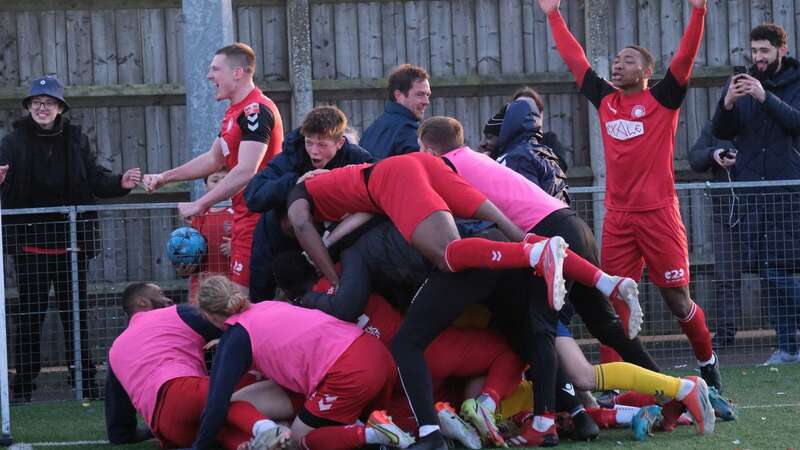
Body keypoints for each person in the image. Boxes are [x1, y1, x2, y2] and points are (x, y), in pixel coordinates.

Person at [538, 0, 723, 391]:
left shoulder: (662, 100)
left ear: (647, 71)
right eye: (616, 60)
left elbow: (686, 57)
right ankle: (617, 388)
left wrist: (698, 13)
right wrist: (553, 15)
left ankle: (708, 364)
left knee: (678, 302)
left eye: (628, 60)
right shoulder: (606, 101)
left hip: (659, 215)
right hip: (618, 219)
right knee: (614, 304)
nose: (618, 65)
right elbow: (576, 59)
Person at [0, 75, 141, 403]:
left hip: (71, 245)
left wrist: (121, 182)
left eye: (48, 102)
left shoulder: (76, 139)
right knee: (29, 318)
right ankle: (22, 388)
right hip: (29, 246)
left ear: (60, 107)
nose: (42, 107)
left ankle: (85, 385)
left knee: (75, 316)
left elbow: (94, 178)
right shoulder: (12, 142)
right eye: (36, 102)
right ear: (28, 107)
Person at [193, 276, 415, 450]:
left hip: (348, 371)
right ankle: (377, 433)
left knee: (299, 441)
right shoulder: (267, 306)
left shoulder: (236, 336)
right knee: (241, 402)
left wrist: (200, 446)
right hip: (375, 353)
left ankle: (368, 434)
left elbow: (216, 403)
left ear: (211, 317)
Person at [143, 43, 284, 293]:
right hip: (245, 216)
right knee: (239, 304)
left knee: (243, 304)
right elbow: (213, 159)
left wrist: (200, 204)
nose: (210, 76)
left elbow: (246, 170)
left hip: (258, 220)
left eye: (215, 69)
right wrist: (164, 177)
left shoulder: (256, 111)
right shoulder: (234, 113)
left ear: (237, 73)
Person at [106, 282, 289, 450]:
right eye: (160, 294)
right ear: (142, 302)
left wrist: (134, 433)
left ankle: (249, 442)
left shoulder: (116, 350)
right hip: (182, 392)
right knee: (225, 398)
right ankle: (268, 428)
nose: (168, 298)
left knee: (222, 430)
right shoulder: (175, 314)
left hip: (168, 429)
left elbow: (119, 425)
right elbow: (243, 326)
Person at [712, 23, 800, 365]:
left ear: (782, 50)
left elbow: (795, 122)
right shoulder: (742, 84)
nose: (757, 58)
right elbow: (722, 130)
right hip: (754, 193)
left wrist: (764, 96)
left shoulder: (793, 83)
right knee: (767, 270)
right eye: (754, 51)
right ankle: (786, 347)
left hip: (789, 190)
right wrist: (729, 103)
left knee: (784, 271)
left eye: (764, 51)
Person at [243, 106, 373, 301]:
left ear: (340, 143)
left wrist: (342, 187)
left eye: (322, 145)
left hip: (331, 241)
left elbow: (380, 191)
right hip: (278, 239)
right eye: (309, 143)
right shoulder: (292, 155)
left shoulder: (357, 159)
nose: (314, 151)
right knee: (263, 293)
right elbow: (253, 196)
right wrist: (295, 182)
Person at [689, 123, 742, 349]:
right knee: (726, 276)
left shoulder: (766, 120)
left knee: (776, 272)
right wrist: (714, 154)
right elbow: (695, 158)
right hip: (725, 213)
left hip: (763, 210)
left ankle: (785, 338)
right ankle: (725, 335)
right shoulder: (717, 126)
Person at [479, 92, 570, 204]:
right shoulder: (507, 153)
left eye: (527, 108)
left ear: (539, 114)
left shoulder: (545, 143)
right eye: (518, 106)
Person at [183, 168, 234, 303]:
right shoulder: (199, 214)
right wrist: (185, 257)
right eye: (215, 180)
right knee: (200, 316)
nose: (220, 184)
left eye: (226, 179)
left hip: (231, 280)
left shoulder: (239, 212)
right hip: (202, 280)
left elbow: (251, 240)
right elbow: (191, 245)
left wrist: (236, 246)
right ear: (205, 186)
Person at [360, 64, 431, 159]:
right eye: (420, 94)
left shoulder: (371, 131)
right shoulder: (406, 131)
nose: (426, 102)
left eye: (428, 95)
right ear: (398, 95)